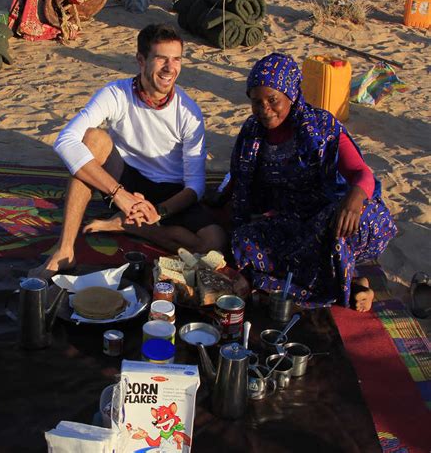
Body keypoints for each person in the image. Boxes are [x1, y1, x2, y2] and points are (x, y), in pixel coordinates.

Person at [30, 23, 226, 279]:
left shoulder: (189, 113)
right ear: (141, 61)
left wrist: (160, 212)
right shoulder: (116, 93)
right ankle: (65, 250)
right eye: (161, 59)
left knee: (215, 242)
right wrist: (119, 194)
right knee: (92, 139)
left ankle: (129, 224)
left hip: (169, 191)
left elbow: (195, 186)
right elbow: (65, 140)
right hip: (123, 177)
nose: (170, 68)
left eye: (176, 59)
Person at [229, 52, 397, 311]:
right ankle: (348, 284)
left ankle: (335, 281)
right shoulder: (252, 133)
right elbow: (242, 186)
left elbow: (361, 173)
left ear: (291, 94)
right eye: (256, 102)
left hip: (326, 215)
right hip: (289, 221)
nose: (264, 109)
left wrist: (353, 199)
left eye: (272, 100)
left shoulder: (322, 127)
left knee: (360, 218)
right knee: (244, 242)